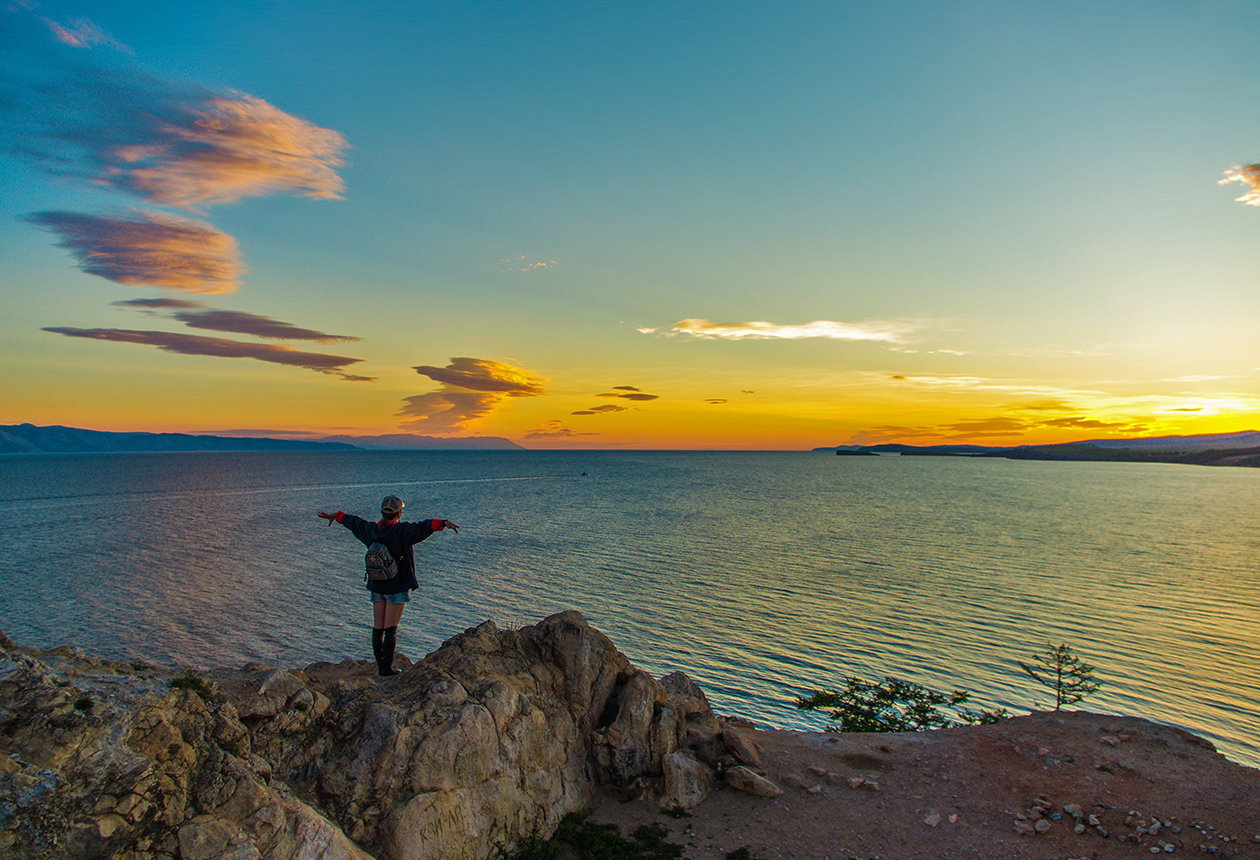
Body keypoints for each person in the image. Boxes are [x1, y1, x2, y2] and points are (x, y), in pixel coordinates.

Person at [317, 496, 458, 677]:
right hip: (396, 587)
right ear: (399, 513)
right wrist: (444, 523)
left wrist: (336, 516)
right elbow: (423, 526)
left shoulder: (371, 530)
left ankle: (380, 666)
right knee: (391, 629)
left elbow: (353, 522)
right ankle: (386, 669)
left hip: (377, 586)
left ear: (382, 512)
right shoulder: (401, 531)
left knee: (378, 628)